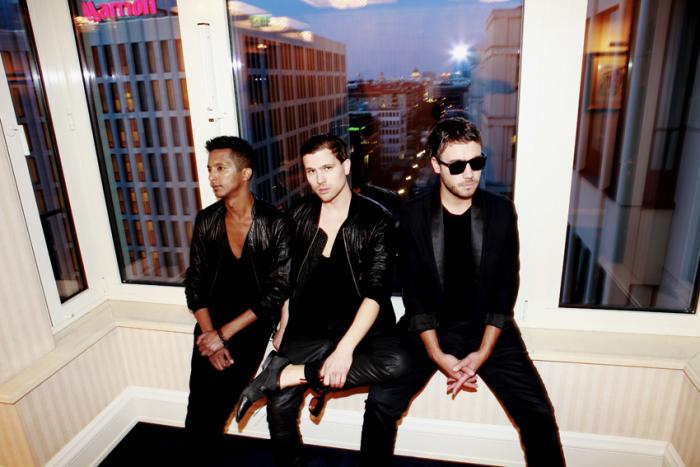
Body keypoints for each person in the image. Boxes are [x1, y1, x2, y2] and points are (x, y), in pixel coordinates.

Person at [360, 117, 566, 466]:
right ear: (436, 165)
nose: (469, 174)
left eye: (477, 162)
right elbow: (415, 294)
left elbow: (505, 289)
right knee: (380, 404)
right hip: (428, 326)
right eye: (457, 166)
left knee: (538, 415)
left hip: (488, 326)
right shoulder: (413, 215)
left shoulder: (501, 211)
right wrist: (437, 354)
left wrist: (484, 352)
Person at [235, 134, 409, 466]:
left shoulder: (377, 219)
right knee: (278, 407)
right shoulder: (299, 213)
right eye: (311, 171)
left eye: (327, 168)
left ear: (346, 166)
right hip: (311, 323)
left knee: (398, 362)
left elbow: (375, 293)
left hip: (360, 324)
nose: (320, 179)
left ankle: (289, 373)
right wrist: (283, 326)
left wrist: (344, 351)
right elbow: (289, 279)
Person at [183, 136, 289, 462]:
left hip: (250, 326)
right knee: (197, 409)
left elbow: (277, 290)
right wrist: (210, 335)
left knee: (217, 409)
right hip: (209, 325)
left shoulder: (274, 222)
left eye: (221, 168)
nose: (212, 177)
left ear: (245, 174)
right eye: (209, 169)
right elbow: (195, 284)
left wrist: (223, 336)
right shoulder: (207, 220)